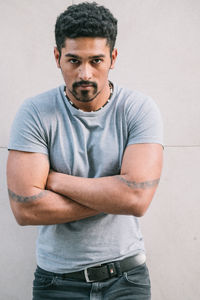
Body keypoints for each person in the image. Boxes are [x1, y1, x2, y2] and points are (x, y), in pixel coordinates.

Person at [7, 2, 163, 299]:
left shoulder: (138, 110)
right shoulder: (35, 112)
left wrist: (55, 181)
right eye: (74, 61)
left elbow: (136, 199)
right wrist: (116, 195)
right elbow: (26, 208)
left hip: (126, 279)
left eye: (96, 61)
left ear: (113, 58)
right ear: (57, 57)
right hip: (57, 282)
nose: (85, 74)